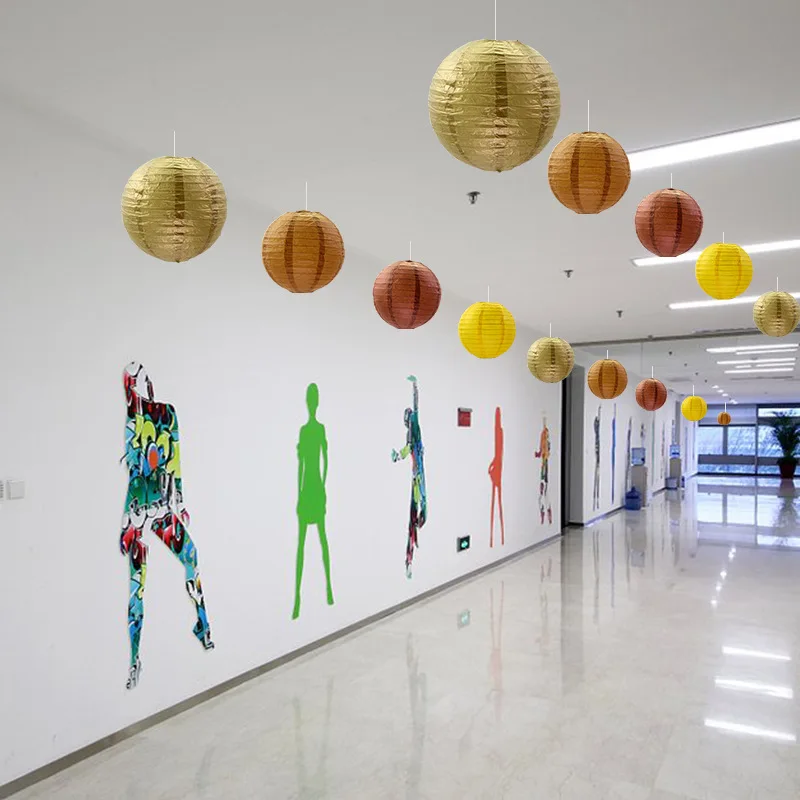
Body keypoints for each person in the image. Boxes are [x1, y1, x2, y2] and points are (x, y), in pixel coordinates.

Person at [119, 362, 213, 690]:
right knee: (138, 587)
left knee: (191, 556)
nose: (139, 388)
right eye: (134, 382)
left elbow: (175, 462)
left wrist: (180, 502)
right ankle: (135, 660)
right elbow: (135, 475)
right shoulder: (134, 421)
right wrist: (127, 525)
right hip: (139, 510)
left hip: (159, 506)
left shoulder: (166, 415)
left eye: (141, 381)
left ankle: (202, 624)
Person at [293, 382, 334, 619]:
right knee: (308, 542)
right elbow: (309, 464)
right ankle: (298, 596)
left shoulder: (316, 430)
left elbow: (323, 461)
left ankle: (328, 587)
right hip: (312, 490)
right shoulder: (309, 430)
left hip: (314, 489)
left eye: (312, 400)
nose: (312, 404)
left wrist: (321, 488)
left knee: (320, 540)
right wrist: (301, 493)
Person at [392, 376, 427, 578]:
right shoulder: (412, 438)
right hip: (417, 480)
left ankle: (409, 558)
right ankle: (409, 560)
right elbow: (407, 450)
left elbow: (416, 406)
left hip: (419, 479)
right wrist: (398, 456)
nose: (407, 421)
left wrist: (415, 386)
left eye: (408, 418)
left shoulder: (415, 430)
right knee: (413, 520)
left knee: (418, 517)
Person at [488, 407, 505, 547]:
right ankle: (495, 539)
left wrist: (491, 468)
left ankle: (496, 539)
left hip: (497, 472)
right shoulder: (499, 433)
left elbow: (498, 456)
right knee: (496, 503)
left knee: (496, 504)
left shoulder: (499, 433)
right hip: (496, 472)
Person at [535, 415, 552, 525]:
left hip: (544, 468)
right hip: (544, 466)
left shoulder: (545, 435)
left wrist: (540, 454)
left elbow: (544, 451)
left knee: (544, 494)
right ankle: (546, 517)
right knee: (544, 494)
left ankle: (547, 516)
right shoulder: (544, 435)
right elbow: (542, 451)